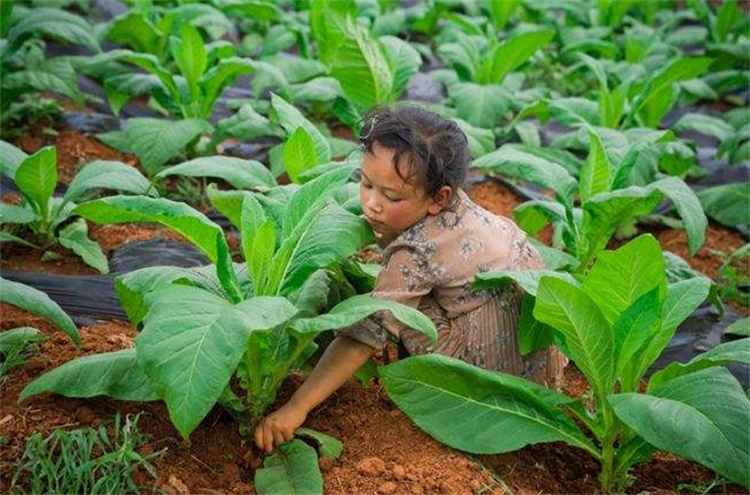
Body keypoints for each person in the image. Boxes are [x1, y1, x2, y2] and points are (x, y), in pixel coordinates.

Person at [254, 105, 566, 453]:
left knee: (396, 309)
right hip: (538, 381)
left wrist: (296, 408)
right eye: (366, 183)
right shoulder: (462, 211)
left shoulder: (416, 252)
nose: (371, 204)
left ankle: (437, 402)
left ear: (439, 198)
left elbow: (364, 335)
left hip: (486, 394)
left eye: (391, 196)